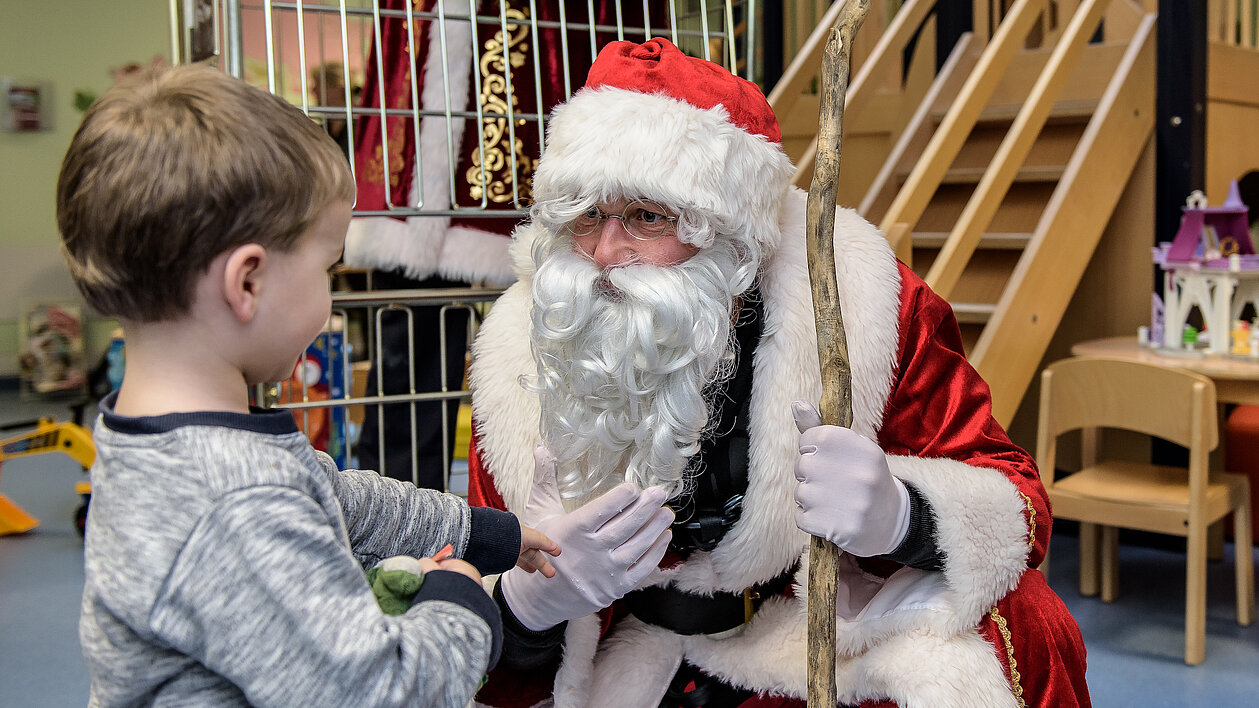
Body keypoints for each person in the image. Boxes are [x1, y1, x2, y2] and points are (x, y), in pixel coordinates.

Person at [465, 38, 1091, 708]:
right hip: (617, 654)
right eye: (586, 215)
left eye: (646, 217)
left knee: (1023, 619)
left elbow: (1016, 501)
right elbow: (472, 630)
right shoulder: (536, 339)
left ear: (730, 235)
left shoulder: (863, 302)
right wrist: (530, 605)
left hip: (799, 632)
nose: (605, 254)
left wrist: (902, 515)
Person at [57, 62, 558, 707]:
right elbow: (380, 693)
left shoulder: (164, 438)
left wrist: (484, 532)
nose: (330, 296)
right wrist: (458, 598)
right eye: (327, 265)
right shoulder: (235, 500)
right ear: (248, 283)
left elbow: (333, 499)